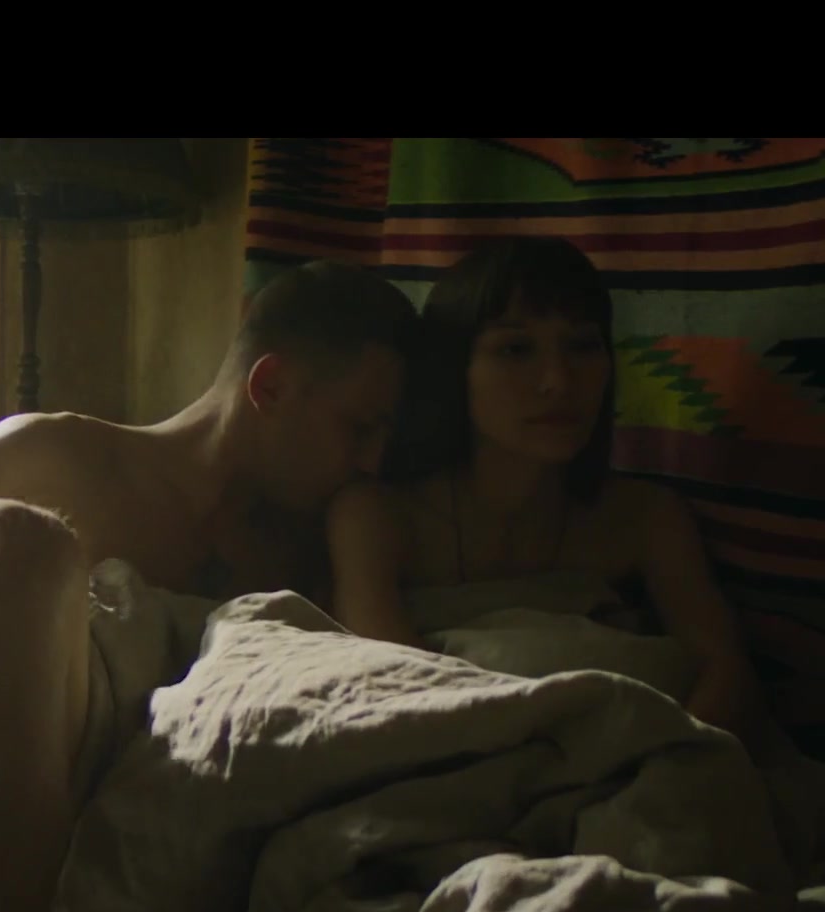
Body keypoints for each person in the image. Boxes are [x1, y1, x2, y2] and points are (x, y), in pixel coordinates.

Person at [0, 259, 416, 912]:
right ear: (271, 386)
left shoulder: (325, 539)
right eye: (359, 428)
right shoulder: (48, 458)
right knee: (6, 538)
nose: (371, 461)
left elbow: (386, 703)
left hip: (178, 864)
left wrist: (358, 530)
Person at [322, 235, 782, 758]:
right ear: (454, 369)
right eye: (515, 349)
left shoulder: (645, 516)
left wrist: (665, 768)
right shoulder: (376, 516)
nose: (559, 382)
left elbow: (726, 672)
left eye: (583, 346)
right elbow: (394, 688)